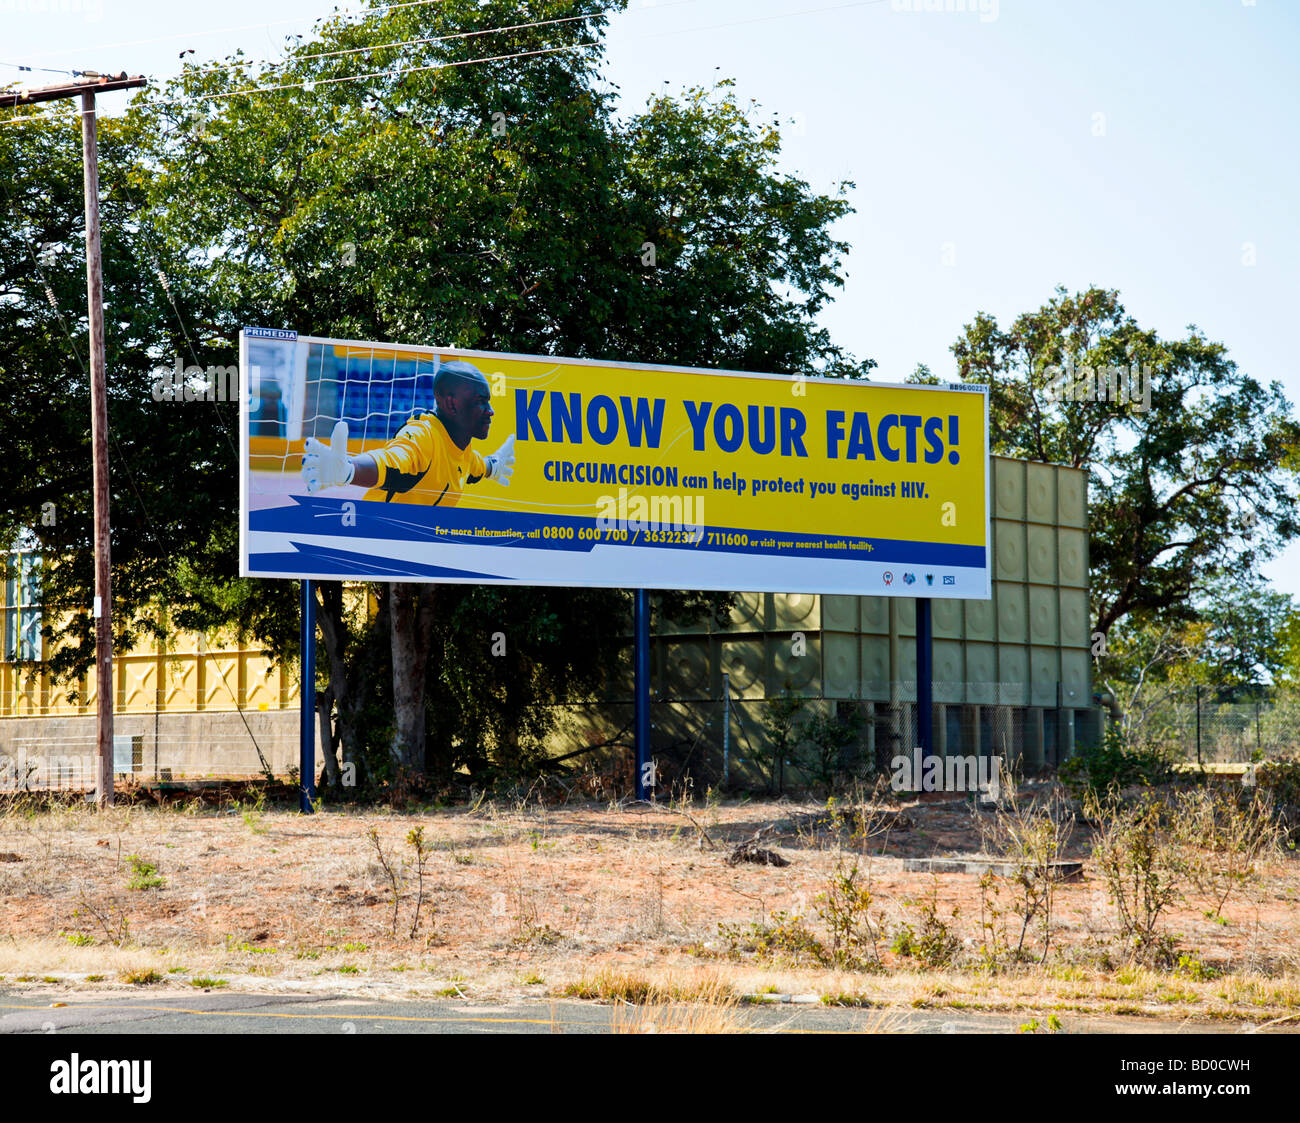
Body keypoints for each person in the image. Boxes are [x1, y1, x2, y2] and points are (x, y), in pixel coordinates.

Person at [300, 359, 515, 505]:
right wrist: (350, 471)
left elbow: (476, 468)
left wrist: (493, 466)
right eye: (480, 402)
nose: (491, 411)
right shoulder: (424, 437)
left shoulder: (464, 450)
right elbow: (391, 461)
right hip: (377, 548)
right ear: (452, 404)